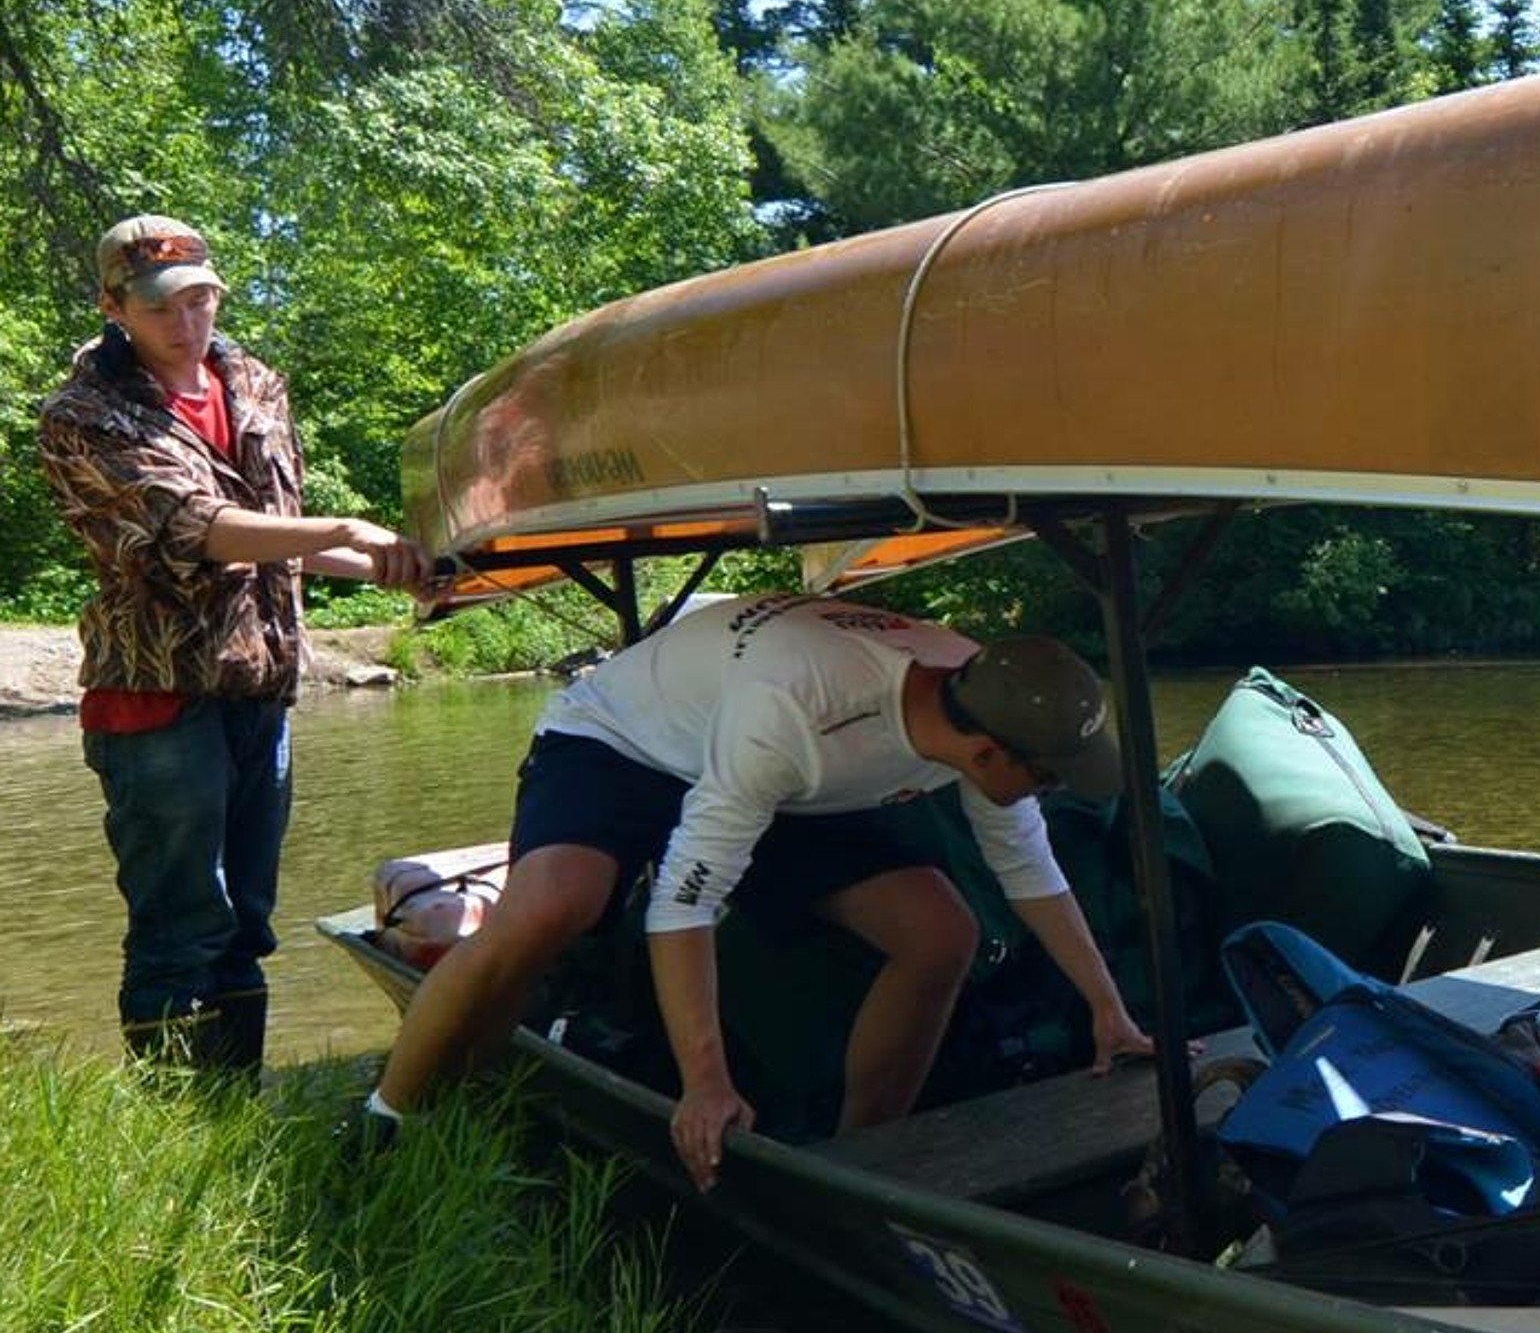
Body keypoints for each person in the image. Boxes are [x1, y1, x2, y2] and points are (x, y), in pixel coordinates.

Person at [368, 590, 1156, 1187]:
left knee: (940, 934)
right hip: (626, 742)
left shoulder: (987, 696)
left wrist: (1108, 1011)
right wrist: (706, 1086)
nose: (1052, 791)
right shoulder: (797, 702)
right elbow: (686, 899)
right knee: (552, 909)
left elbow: (1029, 869)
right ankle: (384, 1124)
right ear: (987, 755)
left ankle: (863, 1161)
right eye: (1048, 778)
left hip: (796, 780)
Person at [36, 213, 435, 1074]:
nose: (188, 324)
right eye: (161, 309)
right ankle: (174, 1129)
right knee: (181, 926)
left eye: (201, 301)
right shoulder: (83, 416)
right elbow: (197, 528)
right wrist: (346, 523)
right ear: (113, 307)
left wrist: (380, 564)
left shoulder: (256, 385)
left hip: (260, 686)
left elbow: (277, 535)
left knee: (248, 922)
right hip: (157, 700)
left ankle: (233, 1112)